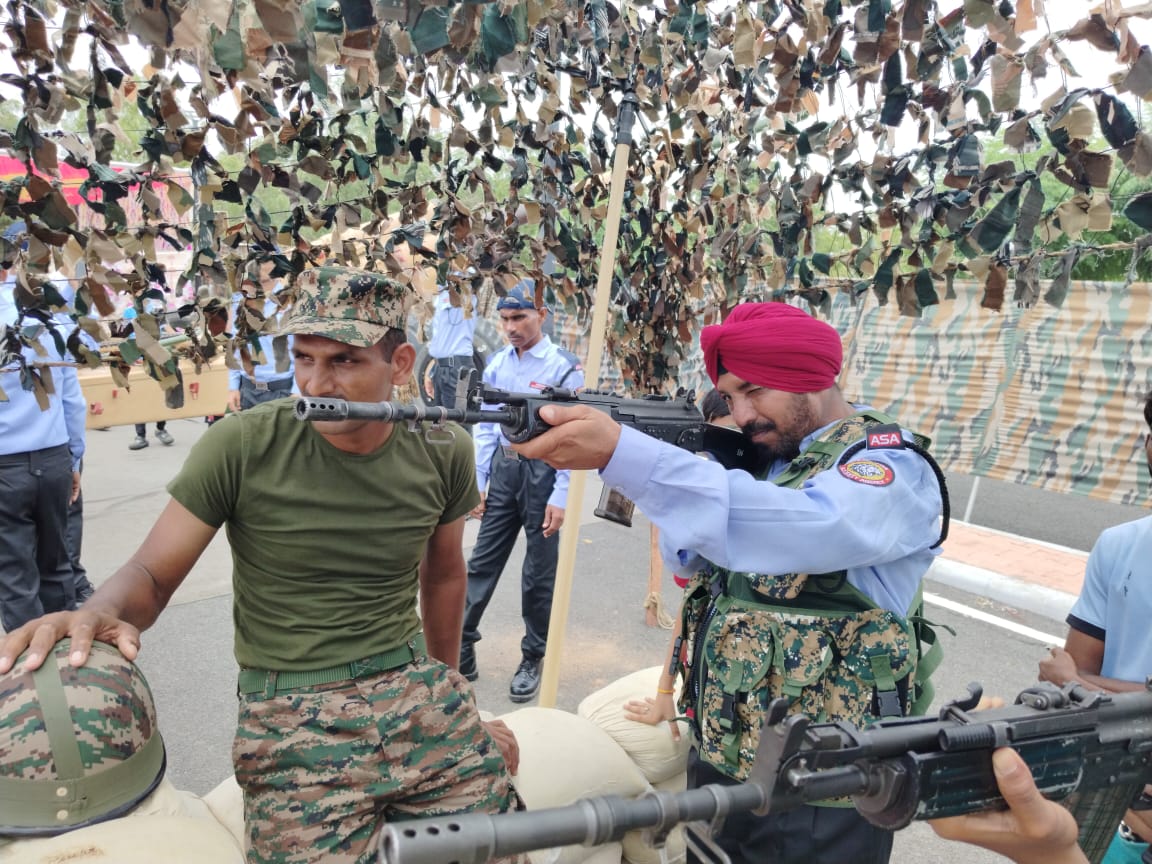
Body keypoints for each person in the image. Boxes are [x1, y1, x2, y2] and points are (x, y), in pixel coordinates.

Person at [0, 265, 522, 864]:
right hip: (291, 712)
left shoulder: (442, 446)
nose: (316, 381)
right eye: (303, 358)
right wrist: (96, 613)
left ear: (400, 363)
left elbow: (445, 573)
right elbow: (151, 575)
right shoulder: (243, 445)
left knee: (503, 850)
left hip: (414, 687)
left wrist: (454, 700)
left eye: (344, 361)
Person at [514, 302, 946, 864]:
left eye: (754, 391)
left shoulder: (888, 463)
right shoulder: (768, 456)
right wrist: (685, 466)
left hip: (826, 783)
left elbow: (812, 527)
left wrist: (632, 456)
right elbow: (689, 563)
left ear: (810, 377)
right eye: (729, 396)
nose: (741, 414)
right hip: (723, 754)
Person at [1038, 390, 1152, 864]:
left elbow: (1072, 678)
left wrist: (1080, 685)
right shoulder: (1119, 544)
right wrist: (1078, 684)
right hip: (1114, 801)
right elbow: (1069, 680)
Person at [461, 278, 585, 702]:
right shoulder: (497, 364)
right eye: (505, 319)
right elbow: (486, 426)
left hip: (545, 473)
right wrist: (478, 480)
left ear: (541, 315)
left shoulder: (563, 367)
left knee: (538, 574)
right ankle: (462, 644)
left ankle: (533, 657)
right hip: (504, 472)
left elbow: (573, 436)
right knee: (481, 562)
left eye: (519, 317)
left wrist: (562, 495)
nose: (511, 327)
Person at [0, 241, 86, 633]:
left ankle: (31, 662)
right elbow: (72, 399)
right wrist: (74, 460)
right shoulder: (48, 317)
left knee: (15, 576)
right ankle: (67, 652)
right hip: (53, 459)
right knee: (57, 565)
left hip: (6, 466)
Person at [226, 263, 296, 412]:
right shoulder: (240, 301)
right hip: (248, 392)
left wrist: (297, 390)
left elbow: (302, 350)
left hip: (283, 392)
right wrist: (233, 386)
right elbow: (234, 345)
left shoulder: (291, 302)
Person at [122, 305, 175, 450]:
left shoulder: (154, 306)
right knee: (140, 397)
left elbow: (166, 328)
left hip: (157, 357)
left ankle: (161, 429)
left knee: (160, 394)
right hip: (137, 361)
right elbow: (123, 335)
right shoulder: (128, 312)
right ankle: (140, 436)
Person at [427, 271, 479, 410]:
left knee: (457, 418)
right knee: (439, 418)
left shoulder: (465, 281)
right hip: (441, 366)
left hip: (458, 368)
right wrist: (432, 370)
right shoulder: (442, 290)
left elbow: (472, 274)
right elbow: (441, 340)